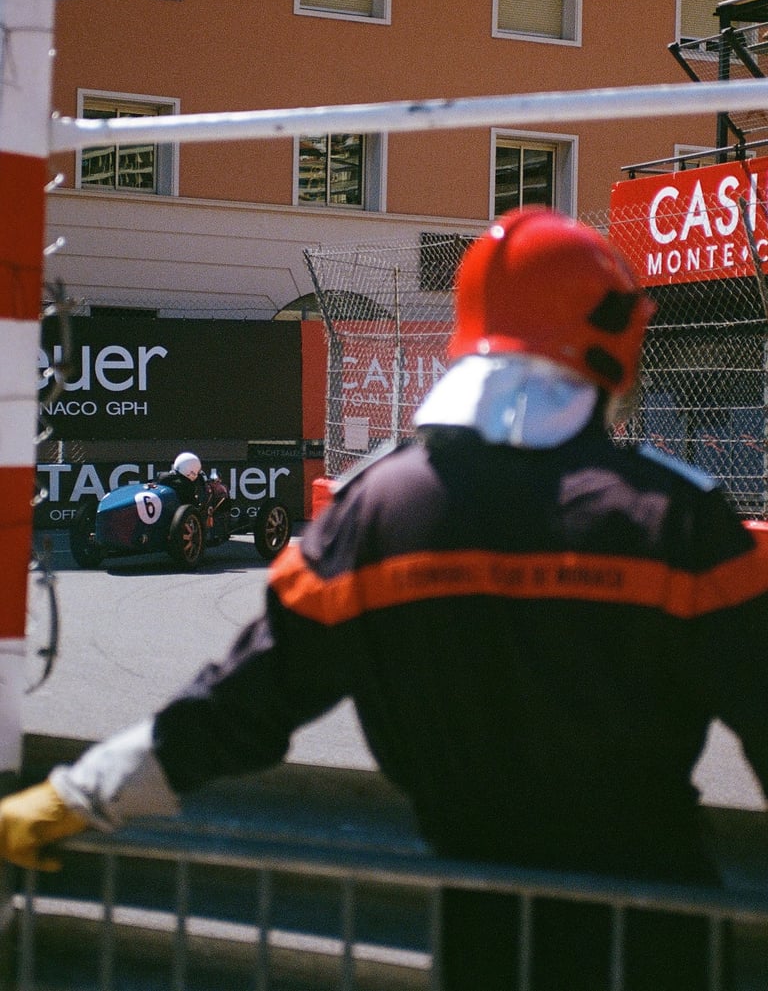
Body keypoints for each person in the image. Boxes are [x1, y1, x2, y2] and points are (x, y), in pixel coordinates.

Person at [3, 206, 768, 990]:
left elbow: (240, 703)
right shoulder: (680, 517)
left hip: (480, 936)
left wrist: (76, 792)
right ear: (612, 340)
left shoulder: (372, 515)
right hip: (663, 938)